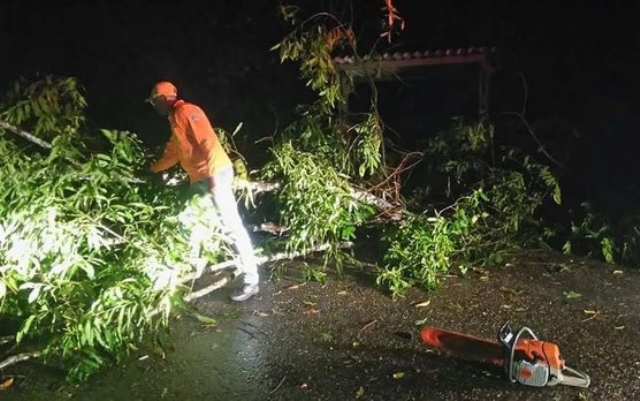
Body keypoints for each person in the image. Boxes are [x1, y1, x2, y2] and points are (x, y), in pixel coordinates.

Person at [147, 81, 259, 302]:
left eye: (154, 102)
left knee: (231, 226)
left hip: (214, 175)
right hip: (199, 180)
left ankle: (251, 279)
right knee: (188, 221)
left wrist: (215, 177)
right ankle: (192, 273)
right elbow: (173, 152)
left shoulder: (188, 111)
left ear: (163, 99)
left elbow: (208, 142)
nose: (154, 107)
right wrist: (151, 170)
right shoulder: (175, 120)